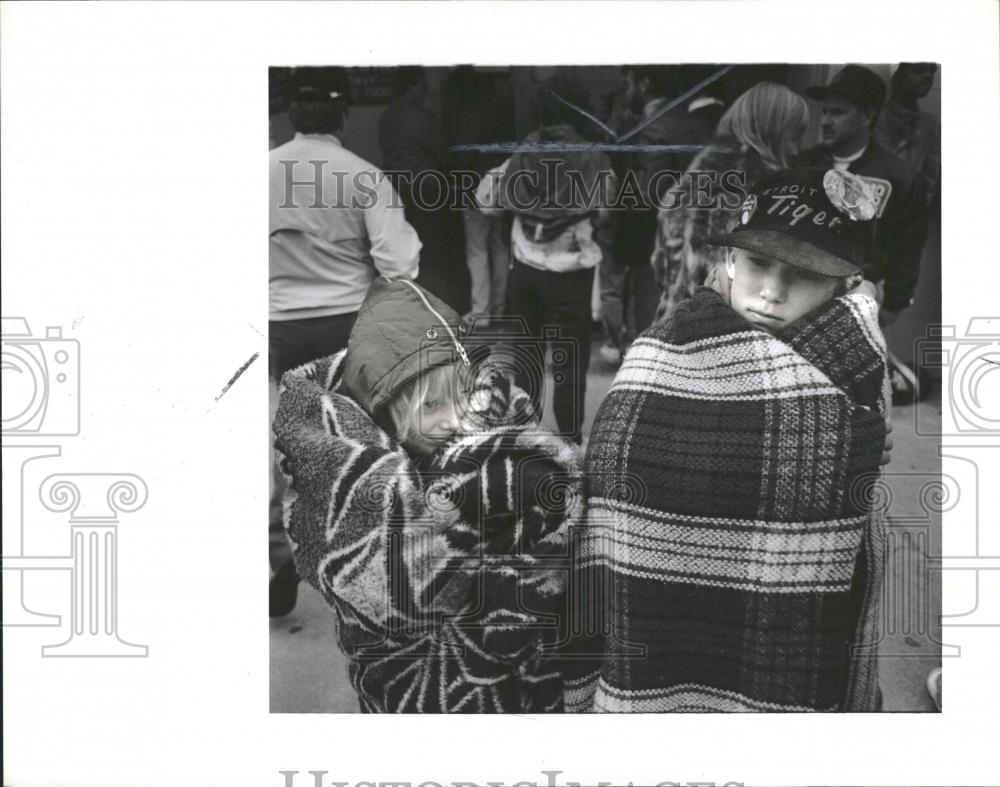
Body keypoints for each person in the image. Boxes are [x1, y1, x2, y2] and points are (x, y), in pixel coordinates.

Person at [565, 167, 891, 712]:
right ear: (732, 262)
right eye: (759, 263)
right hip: (656, 614)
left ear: (843, 284)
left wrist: (848, 445)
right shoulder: (660, 350)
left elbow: (858, 511)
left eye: (803, 273)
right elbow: (615, 479)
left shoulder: (855, 355)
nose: (771, 291)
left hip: (782, 629)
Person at [272, 277, 582, 712]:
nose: (454, 419)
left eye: (460, 395)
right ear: (385, 417)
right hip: (419, 691)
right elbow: (385, 586)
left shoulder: (490, 435)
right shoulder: (361, 475)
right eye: (431, 407)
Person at [268, 69, 421, 617]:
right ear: (344, 117)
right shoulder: (363, 176)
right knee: (357, 445)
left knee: (280, 445)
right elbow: (399, 266)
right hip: (344, 330)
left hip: (275, 328)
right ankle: (359, 568)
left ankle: (279, 558)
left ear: (291, 115)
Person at [482, 72, 616, 445]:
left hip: (524, 270)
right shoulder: (594, 155)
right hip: (570, 274)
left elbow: (495, 204)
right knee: (569, 363)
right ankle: (569, 440)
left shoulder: (525, 150)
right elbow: (606, 210)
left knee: (526, 357)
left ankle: (527, 435)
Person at [652, 82, 809, 323]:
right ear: (773, 131)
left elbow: (660, 265)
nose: (795, 149)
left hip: (671, 325)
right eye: (793, 136)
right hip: (722, 335)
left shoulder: (692, 179)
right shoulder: (768, 189)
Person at [599, 66, 723, 364]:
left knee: (649, 316)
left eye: (629, 82)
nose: (625, 90)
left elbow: (644, 197)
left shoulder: (651, 128)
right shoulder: (695, 124)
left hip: (652, 240)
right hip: (696, 236)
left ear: (644, 84)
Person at [798, 64, 928, 327]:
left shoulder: (900, 178)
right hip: (800, 291)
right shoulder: (802, 165)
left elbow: (907, 249)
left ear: (868, 116)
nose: (825, 121)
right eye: (824, 111)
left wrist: (893, 305)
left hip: (857, 302)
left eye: (837, 112)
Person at [379, 67, 466, 313]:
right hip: (426, 192)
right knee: (433, 253)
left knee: (406, 250)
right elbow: (443, 154)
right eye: (423, 86)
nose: (426, 92)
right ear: (411, 87)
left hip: (397, 190)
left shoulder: (386, 117)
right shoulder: (420, 118)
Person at [445, 66, 511, 324]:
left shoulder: (464, 114)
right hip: (500, 186)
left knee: (477, 251)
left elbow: (462, 155)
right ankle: (499, 309)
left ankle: (481, 313)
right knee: (500, 248)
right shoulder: (501, 111)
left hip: (473, 188)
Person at [875, 62, 940, 210]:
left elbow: (929, 180)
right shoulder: (873, 117)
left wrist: (915, 214)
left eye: (932, 70)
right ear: (897, 76)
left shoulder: (930, 125)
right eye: (919, 70)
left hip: (905, 217)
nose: (928, 76)